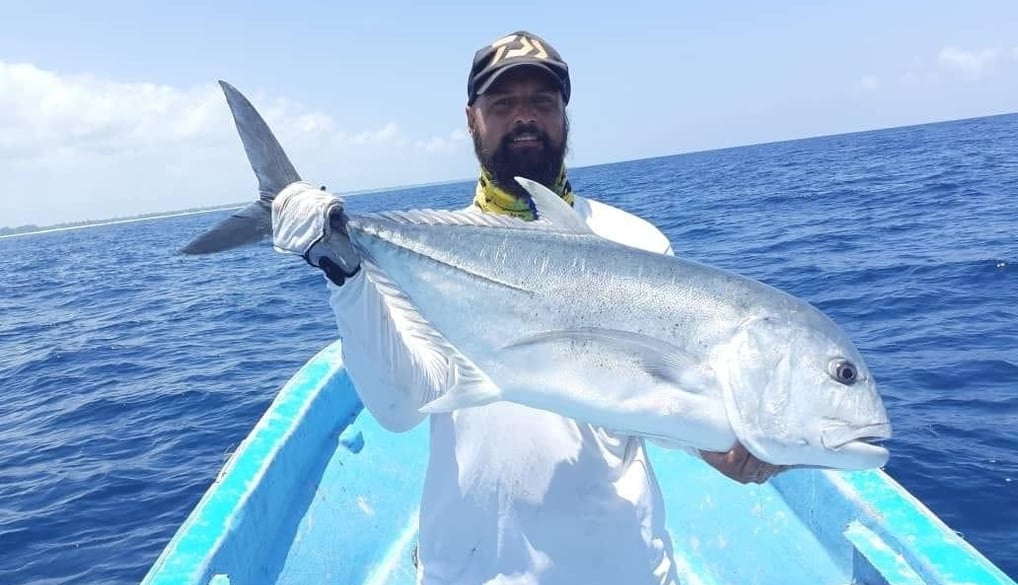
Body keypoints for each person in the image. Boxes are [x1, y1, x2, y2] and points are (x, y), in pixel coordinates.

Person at [271, 31, 782, 585]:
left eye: (542, 101)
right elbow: (400, 408)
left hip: (619, 569)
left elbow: (658, 406)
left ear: (565, 116)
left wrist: (720, 445)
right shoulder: (433, 251)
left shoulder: (637, 245)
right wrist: (344, 272)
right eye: (503, 102)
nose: (524, 116)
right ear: (472, 119)